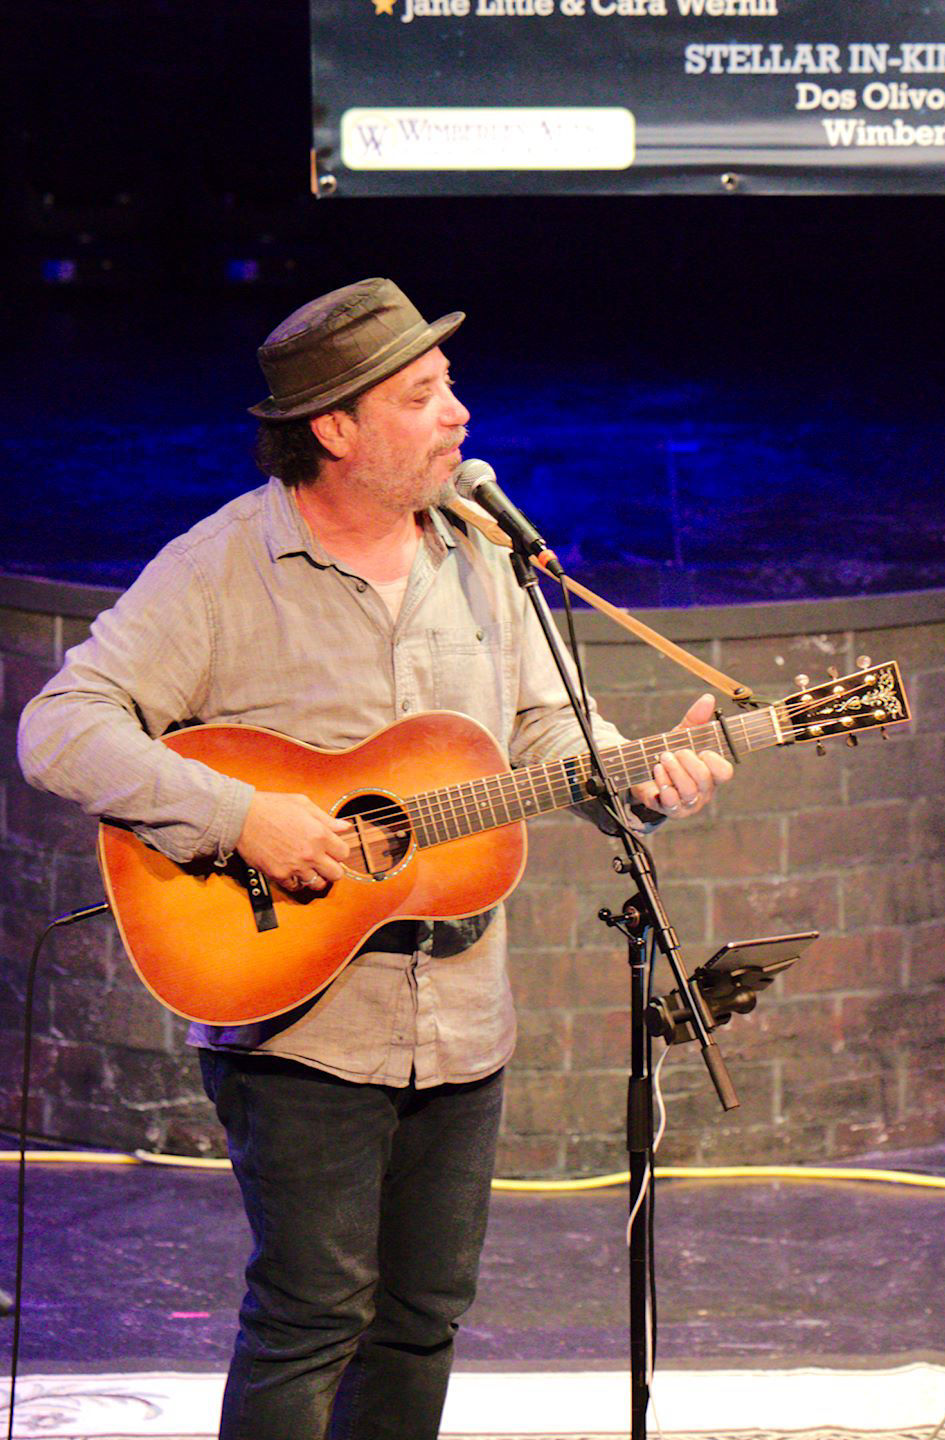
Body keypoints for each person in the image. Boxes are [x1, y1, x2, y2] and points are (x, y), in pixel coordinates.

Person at [17, 278, 734, 1439]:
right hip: (301, 1018)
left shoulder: (486, 552)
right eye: (421, 394)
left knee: (422, 1317)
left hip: (461, 1018)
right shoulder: (221, 567)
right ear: (336, 428)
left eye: (448, 386)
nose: (458, 414)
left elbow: (546, 732)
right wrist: (240, 816)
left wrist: (636, 771)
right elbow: (61, 726)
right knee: (312, 1314)